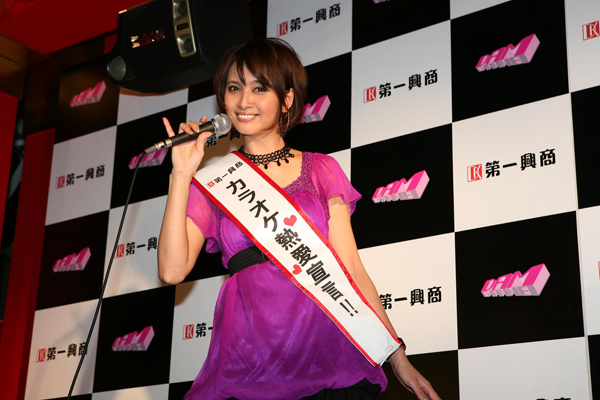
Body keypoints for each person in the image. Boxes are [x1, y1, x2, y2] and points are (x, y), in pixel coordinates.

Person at [157, 37, 441, 400]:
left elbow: (351, 269)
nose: (244, 101)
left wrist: (397, 357)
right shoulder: (214, 181)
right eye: (234, 88)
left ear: (287, 98)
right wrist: (181, 174)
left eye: (259, 88)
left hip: (327, 348)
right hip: (249, 359)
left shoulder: (321, 169)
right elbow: (172, 271)